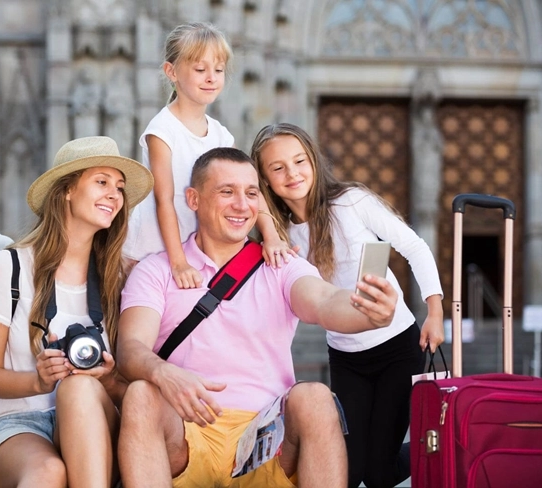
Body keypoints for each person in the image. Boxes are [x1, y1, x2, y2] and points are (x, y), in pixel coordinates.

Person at [116, 147, 398, 487]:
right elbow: (131, 348)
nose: (242, 205)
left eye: (251, 193)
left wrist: (366, 311)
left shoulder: (280, 265)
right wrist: (163, 373)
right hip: (187, 436)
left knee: (314, 397)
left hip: (266, 440)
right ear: (193, 199)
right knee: (141, 394)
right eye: (226, 192)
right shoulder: (157, 269)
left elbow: (324, 301)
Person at [250, 123, 444, 488]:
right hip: (345, 358)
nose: (292, 173)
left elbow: (414, 246)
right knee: (348, 473)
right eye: (277, 168)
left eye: (299, 161)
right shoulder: (279, 238)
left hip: (398, 349)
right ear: (264, 179)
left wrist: (434, 311)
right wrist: (269, 232)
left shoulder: (351, 201)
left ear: (314, 161)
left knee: (379, 474)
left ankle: (428, 449)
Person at [0, 136, 154, 488]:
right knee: (48, 473)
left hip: (96, 420)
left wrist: (108, 378)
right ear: (67, 190)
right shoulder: (12, 266)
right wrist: (37, 381)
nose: (114, 195)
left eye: (120, 187)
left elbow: (132, 392)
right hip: (18, 425)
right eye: (101, 182)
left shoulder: (121, 279)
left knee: (77, 388)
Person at [123, 22, 291, 288]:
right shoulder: (163, 130)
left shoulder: (221, 134)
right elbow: (164, 200)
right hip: (150, 248)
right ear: (172, 71)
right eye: (200, 69)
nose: (211, 77)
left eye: (219, 69)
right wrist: (177, 262)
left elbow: (249, 189)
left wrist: (271, 235)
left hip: (192, 250)